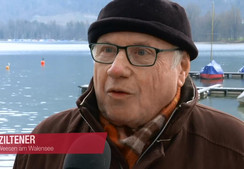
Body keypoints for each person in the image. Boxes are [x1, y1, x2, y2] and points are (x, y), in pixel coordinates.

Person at [13, 0, 244, 168]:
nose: (116, 68)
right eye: (107, 50)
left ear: (182, 68)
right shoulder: (44, 142)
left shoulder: (233, 147)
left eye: (142, 52)